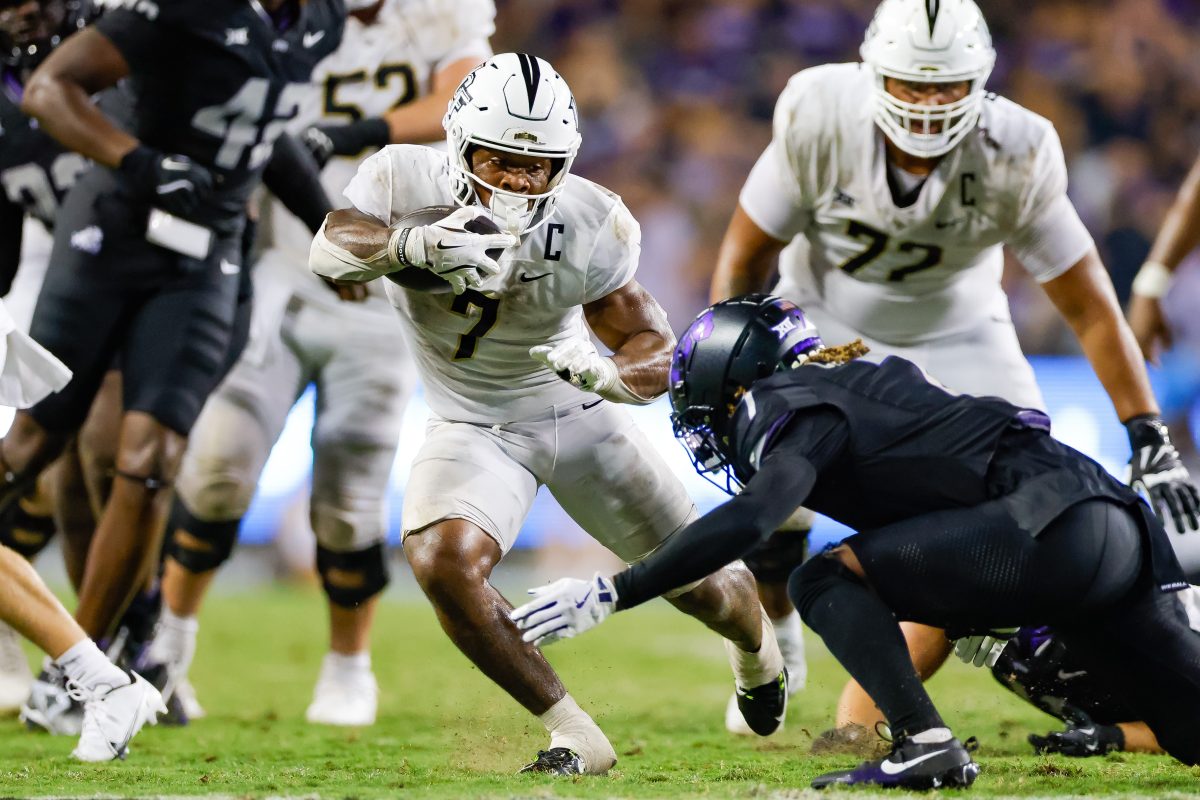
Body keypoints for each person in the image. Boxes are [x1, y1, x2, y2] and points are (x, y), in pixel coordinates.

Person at [708, 0, 1200, 738]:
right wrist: (733, 364)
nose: (930, 105)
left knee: (1015, 510)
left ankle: (873, 713)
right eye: (911, 84)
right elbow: (747, 252)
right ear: (874, 74)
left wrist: (1148, 432)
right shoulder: (819, 111)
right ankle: (778, 630)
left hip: (961, 324)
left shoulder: (1018, 146)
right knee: (780, 502)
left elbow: (1092, 306)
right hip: (824, 313)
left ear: (982, 82)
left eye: (947, 87)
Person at [311, 53, 787, 774]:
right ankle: (574, 731)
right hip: (471, 425)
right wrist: (406, 241)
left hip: (578, 413)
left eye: (539, 164)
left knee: (710, 589)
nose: (521, 180)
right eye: (503, 159)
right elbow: (330, 247)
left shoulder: (589, 218)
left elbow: (651, 342)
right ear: (460, 143)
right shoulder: (400, 177)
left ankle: (759, 656)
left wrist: (609, 373)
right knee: (441, 560)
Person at [513, 294, 1200, 789]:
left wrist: (613, 590)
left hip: (1039, 528)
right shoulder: (851, 381)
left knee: (823, 578)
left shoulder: (777, 399)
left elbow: (754, 519)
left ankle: (925, 743)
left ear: (732, 381)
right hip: (1113, 519)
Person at [139, 0, 495, 728]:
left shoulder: (439, 11)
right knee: (217, 465)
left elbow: (467, 106)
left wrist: (355, 133)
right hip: (282, 267)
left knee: (351, 491)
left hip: (393, 281)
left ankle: (347, 667)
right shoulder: (275, 15)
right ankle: (166, 650)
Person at [0, 0, 343, 727]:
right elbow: (50, 97)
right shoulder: (169, 18)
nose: (25, 15)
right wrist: (141, 163)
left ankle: (96, 664)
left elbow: (260, 128)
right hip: (91, 246)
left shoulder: (315, 21)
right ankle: (111, 644)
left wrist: (327, 221)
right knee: (42, 444)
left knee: (137, 454)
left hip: (201, 256)